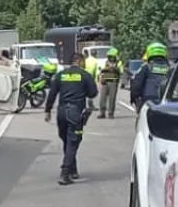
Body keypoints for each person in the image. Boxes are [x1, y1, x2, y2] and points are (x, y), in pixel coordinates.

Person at [44, 53, 98, 185]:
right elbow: (93, 93)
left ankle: (73, 170)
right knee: (73, 142)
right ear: (79, 61)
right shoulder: (85, 75)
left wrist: (47, 110)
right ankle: (65, 173)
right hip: (75, 113)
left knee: (67, 141)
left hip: (61, 113)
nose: (84, 64)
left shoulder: (61, 75)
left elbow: (52, 93)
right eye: (83, 62)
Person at [131, 41, 173, 111]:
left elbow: (136, 85)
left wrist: (133, 98)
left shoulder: (146, 67)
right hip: (167, 102)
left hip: (148, 101)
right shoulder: (171, 68)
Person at [96, 47, 123, 118]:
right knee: (102, 98)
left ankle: (111, 113)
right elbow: (100, 71)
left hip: (113, 82)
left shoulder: (119, 63)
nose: (110, 58)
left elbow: (121, 71)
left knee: (112, 98)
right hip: (105, 82)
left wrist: (115, 68)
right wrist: (101, 78)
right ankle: (102, 113)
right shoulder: (105, 62)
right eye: (109, 56)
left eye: (112, 56)